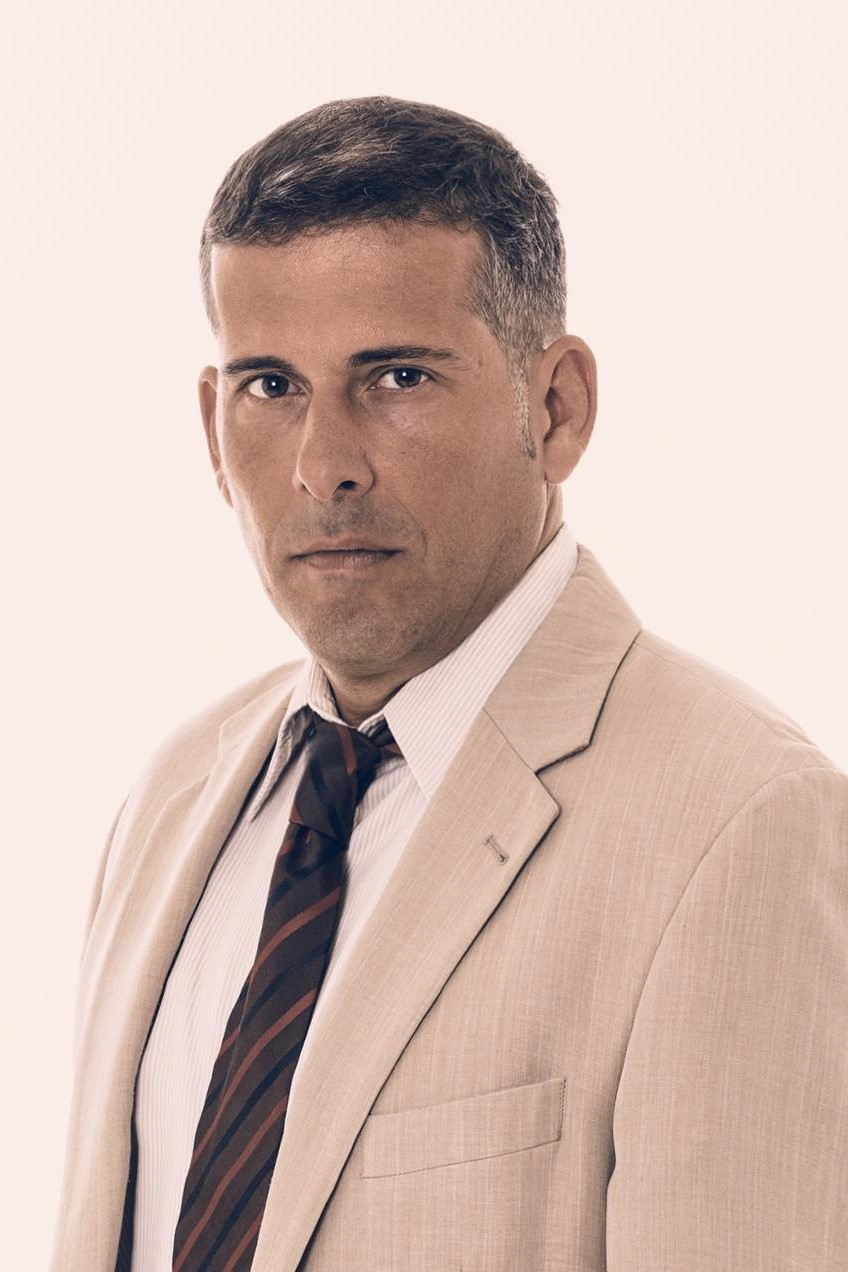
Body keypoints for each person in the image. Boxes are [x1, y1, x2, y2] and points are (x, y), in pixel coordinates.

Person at [52, 96, 847, 1272]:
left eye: (397, 377)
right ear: (213, 426)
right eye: (270, 386)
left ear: (556, 407)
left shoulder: (741, 824)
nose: (324, 466)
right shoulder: (173, 799)